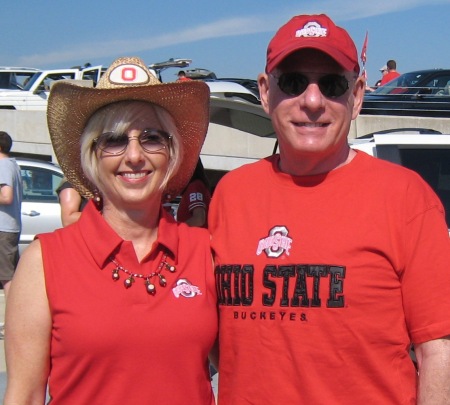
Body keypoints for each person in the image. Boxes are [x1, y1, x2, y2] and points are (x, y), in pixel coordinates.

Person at [209, 14, 450, 404]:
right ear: (266, 91)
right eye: (293, 82)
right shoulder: (230, 195)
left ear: (355, 96)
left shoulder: (407, 198)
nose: (313, 101)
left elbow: (439, 351)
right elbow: (225, 344)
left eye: (333, 84)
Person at [4, 56, 218, 405]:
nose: (134, 155)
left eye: (151, 138)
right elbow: (24, 396)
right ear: (91, 155)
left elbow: (246, 366)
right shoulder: (44, 261)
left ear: (172, 152)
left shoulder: (204, 250)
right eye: (114, 140)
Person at [0, 131, 22, 323]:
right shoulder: (13, 165)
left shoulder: (3, 166)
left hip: (3, 227)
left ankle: (12, 323)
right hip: (9, 227)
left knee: (7, 278)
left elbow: (6, 197)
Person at [176, 158, 211, 228]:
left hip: (195, 237)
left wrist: (177, 229)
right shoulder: (197, 185)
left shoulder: (194, 186)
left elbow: (199, 219)